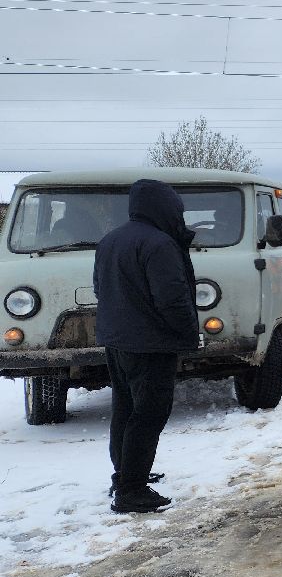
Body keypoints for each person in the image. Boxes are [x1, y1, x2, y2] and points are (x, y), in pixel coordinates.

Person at [93, 179, 200, 514]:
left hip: (117, 339)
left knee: (125, 407)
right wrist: (188, 332)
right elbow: (172, 299)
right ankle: (132, 490)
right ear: (164, 207)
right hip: (150, 343)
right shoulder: (159, 244)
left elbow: (100, 288)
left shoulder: (111, 240)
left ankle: (124, 474)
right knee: (150, 413)